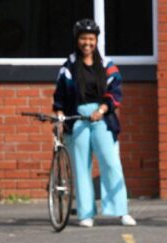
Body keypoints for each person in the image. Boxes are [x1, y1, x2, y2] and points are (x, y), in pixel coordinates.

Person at [53, 19, 136, 227]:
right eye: (83, 38)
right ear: (77, 40)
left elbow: (116, 91)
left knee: (111, 163)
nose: (87, 43)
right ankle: (86, 213)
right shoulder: (69, 66)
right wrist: (60, 117)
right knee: (81, 167)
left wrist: (102, 109)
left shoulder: (107, 64)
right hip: (78, 120)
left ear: (96, 40)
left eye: (91, 39)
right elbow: (60, 97)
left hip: (103, 119)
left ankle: (120, 210)